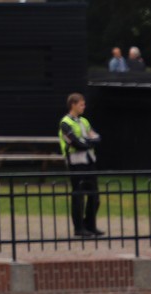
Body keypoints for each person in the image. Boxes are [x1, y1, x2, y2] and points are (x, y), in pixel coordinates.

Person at [58, 92, 103, 238]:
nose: (84, 107)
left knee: (94, 196)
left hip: (89, 160)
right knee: (78, 196)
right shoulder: (65, 123)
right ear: (73, 105)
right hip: (76, 162)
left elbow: (97, 137)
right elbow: (75, 143)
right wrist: (88, 142)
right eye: (81, 105)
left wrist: (86, 142)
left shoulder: (84, 121)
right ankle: (79, 228)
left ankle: (90, 225)